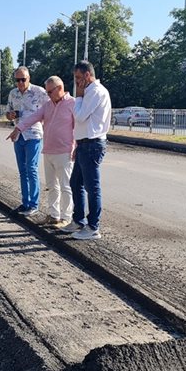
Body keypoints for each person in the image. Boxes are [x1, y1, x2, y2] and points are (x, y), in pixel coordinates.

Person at [7, 76, 75, 227]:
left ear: (60, 88)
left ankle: (66, 217)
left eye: (50, 92)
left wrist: (75, 147)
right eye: (47, 92)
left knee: (65, 186)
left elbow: (78, 127)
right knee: (52, 185)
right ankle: (53, 215)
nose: (48, 95)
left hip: (65, 151)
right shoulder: (48, 105)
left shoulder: (72, 103)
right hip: (49, 150)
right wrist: (18, 128)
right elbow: (33, 117)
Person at [61, 61, 111, 240]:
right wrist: (78, 144)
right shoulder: (89, 91)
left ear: (88, 75)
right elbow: (80, 121)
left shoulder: (95, 92)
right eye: (75, 78)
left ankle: (93, 227)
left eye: (79, 78)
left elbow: (80, 116)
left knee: (92, 187)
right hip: (84, 144)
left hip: (92, 144)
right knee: (76, 183)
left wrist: (79, 96)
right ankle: (79, 220)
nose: (76, 82)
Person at [5, 66, 48, 216]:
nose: (20, 83)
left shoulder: (39, 92)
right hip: (18, 135)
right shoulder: (13, 93)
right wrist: (10, 115)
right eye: (17, 80)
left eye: (23, 79)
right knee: (22, 170)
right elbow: (7, 112)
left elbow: (49, 109)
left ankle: (33, 204)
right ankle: (25, 202)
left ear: (29, 78)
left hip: (33, 135)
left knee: (31, 168)